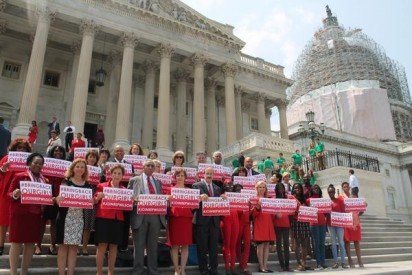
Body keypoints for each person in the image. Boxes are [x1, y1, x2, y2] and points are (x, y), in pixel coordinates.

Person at [8, 153, 46, 275]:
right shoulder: (19, 176)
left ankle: (24, 272)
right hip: (20, 214)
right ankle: (13, 272)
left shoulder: (44, 180)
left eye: (40, 164)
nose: (37, 165)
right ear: (29, 163)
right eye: (35, 162)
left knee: (30, 243)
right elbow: (9, 194)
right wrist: (15, 194)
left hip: (35, 216)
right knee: (16, 243)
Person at [128, 159, 166, 275]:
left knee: (153, 245)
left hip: (155, 216)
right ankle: (137, 271)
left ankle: (153, 271)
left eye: (152, 166)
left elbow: (161, 198)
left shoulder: (158, 182)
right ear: (143, 167)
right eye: (148, 165)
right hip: (140, 216)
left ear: (154, 169)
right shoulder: (134, 180)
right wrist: (133, 200)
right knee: (139, 246)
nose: (150, 167)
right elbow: (128, 198)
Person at [56, 158, 93, 275]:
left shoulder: (87, 185)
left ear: (85, 170)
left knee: (73, 248)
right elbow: (58, 199)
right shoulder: (66, 181)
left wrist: (91, 201)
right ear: (73, 168)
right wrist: (58, 199)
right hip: (64, 218)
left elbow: (89, 203)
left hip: (78, 219)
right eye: (78, 166)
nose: (80, 169)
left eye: (82, 167)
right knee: (63, 247)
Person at [94, 165, 128, 275]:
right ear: (111, 174)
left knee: (114, 247)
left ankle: (110, 273)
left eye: (119, 173)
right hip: (103, 219)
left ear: (122, 176)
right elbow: (94, 201)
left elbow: (127, 207)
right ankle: (99, 273)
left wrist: (131, 201)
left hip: (118, 220)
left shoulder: (125, 190)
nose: (117, 175)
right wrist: (98, 197)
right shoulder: (101, 186)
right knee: (102, 246)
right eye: (115, 173)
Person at [0, 138, 31, 255]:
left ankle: (17, 246)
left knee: (19, 221)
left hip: (22, 194)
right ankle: (1, 245)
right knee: (3, 221)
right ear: (14, 148)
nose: (22, 150)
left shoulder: (29, 162)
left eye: (24, 148)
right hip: (5, 193)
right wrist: (3, 169)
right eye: (19, 147)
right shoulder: (6, 159)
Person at [36, 145, 66, 256]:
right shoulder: (45, 164)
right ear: (52, 152)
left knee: (54, 223)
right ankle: (38, 246)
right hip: (45, 195)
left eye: (60, 151)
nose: (58, 153)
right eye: (56, 151)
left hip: (58, 197)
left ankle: (52, 245)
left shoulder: (66, 166)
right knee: (42, 222)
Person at [192, 167, 222, 275]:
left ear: (213, 175)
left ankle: (214, 269)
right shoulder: (196, 186)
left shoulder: (217, 188)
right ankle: (203, 269)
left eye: (211, 174)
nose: (209, 175)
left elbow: (220, 205)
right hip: (202, 221)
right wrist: (199, 197)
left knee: (214, 247)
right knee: (202, 247)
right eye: (207, 173)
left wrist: (223, 200)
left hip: (214, 222)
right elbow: (193, 202)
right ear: (203, 174)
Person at [168, 168, 193, 275]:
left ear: (185, 178)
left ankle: (182, 269)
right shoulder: (170, 190)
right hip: (175, 219)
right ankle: (176, 269)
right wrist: (168, 199)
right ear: (175, 177)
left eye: (182, 175)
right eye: (178, 175)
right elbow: (167, 205)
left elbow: (194, 205)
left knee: (185, 245)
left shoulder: (190, 191)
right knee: (174, 245)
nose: (180, 177)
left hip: (186, 219)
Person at [252, 181, 275, 273]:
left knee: (266, 246)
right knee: (260, 246)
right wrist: (258, 207)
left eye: (263, 187)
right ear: (256, 189)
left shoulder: (268, 199)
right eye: (260, 187)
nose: (262, 189)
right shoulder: (254, 199)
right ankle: (261, 266)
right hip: (259, 224)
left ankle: (265, 265)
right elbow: (252, 215)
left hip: (268, 224)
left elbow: (271, 213)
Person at [342, 181, 364, 268]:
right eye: (344, 187)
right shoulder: (341, 197)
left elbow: (360, 210)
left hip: (356, 222)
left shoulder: (354, 197)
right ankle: (350, 260)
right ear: (342, 188)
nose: (346, 188)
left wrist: (362, 209)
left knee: (357, 242)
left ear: (349, 188)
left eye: (347, 186)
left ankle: (359, 260)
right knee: (347, 242)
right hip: (347, 222)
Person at [81, 150, 99, 256]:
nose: (92, 159)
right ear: (86, 158)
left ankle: (84, 247)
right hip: (80, 197)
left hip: (92, 199)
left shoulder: (99, 170)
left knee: (87, 224)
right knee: (79, 223)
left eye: (94, 157)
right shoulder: (81, 168)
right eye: (90, 157)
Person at [290, 183, 311, 271]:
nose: (297, 189)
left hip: (304, 222)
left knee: (304, 243)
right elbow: (289, 211)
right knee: (297, 243)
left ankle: (304, 263)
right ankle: (299, 263)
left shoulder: (304, 199)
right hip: (295, 222)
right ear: (293, 189)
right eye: (295, 188)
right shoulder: (291, 198)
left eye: (298, 188)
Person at [327, 184, 348, 269]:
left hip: (339, 224)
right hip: (330, 224)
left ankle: (343, 262)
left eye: (332, 191)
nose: (331, 193)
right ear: (328, 193)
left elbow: (344, 212)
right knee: (333, 243)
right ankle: (336, 262)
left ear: (334, 192)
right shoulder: (326, 202)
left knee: (341, 243)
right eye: (329, 192)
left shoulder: (339, 201)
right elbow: (324, 213)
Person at [307, 184, 327, 270]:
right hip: (313, 224)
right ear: (311, 189)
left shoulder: (322, 200)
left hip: (322, 223)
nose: (316, 189)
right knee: (316, 244)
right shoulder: (308, 200)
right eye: (314, 188)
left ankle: (323, 262)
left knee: (322, 244)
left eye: (317, 188)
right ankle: (318, 263)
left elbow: (326, 211)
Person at [221, 183, 239, 274]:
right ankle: (227, 268)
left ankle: (233, 267)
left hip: (235, 221)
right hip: (226, 220)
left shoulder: (236, 196)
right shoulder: (221, 196)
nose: (229, 186)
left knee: (233, 245)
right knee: (227, 244)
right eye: (227, 185)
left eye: (231, 185)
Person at [234, 182, 251, 275]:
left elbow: (251, 213)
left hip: (247, 224)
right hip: (238, 223)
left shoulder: (247, 199)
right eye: (236, 189)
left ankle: (244, 265)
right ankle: (241, 264)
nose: (239, 190)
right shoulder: (233, 200)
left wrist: (251, 206)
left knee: (247, 244)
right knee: (237, 244)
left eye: (240, 189)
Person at [273, 182, 291, 272]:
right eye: (279, 188)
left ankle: (287, 265)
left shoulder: (287, 198)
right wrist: (275, 215)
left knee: (287, 245)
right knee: (279, 245)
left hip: (286, 224)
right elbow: (270, 212)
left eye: (282, 188)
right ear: (276, 190)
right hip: (277, 224)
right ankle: (282, 266)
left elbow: (291, 209)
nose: (280, 189)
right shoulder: (273, 199)